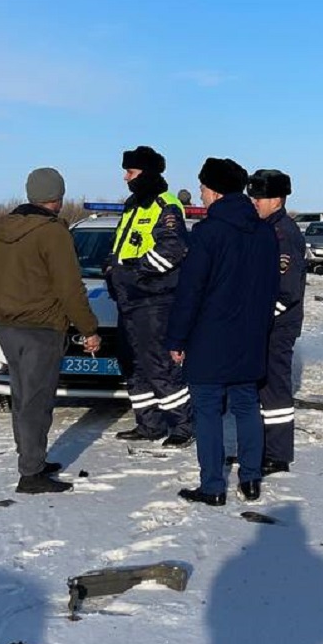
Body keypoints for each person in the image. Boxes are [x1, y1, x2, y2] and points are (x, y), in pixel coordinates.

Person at [166, 158, 281, 506]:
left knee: (208, 410)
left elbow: (190, 291)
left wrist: (177, 338)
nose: (200, 193)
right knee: (247, 405)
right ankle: (250, 480)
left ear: (214, 191)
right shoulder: (264, 232)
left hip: (209, 338)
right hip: (249, 336)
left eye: (202, 188)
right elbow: (271, 286)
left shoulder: (207, 233)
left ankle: (213, 486)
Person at [0, 167, 100, 494]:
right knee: (36, 400)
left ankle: (32, 459)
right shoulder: (52, 233)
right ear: (58, 197)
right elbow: (70, 288)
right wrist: (88, 328)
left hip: (7, 325)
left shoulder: (4, 228)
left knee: (23, 396)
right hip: (40, 326)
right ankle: (31, 473)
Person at [105, 145, 194, 448]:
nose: (125, 178)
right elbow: (123, 245)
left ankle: (183, 425)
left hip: (154, 300)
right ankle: (149, 424)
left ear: (146, 173)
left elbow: (174, 249)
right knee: (133, 364)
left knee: (159, 365)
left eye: (130, 172)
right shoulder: (133, 204)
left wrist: (135, 271)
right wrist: (112, 269)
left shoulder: (164, 204)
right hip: (129, 300)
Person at [248, 168, 305, 475]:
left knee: (274, 388)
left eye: (260, 197)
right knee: (260, 387)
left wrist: (261, 318)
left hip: (277, 326)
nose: (255, 201)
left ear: (278, 199)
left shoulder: (283, 233)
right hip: (263, 324)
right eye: (253, 196)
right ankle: (262, 449)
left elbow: (287, 290)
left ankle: (278, 454)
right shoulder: (264, 228)